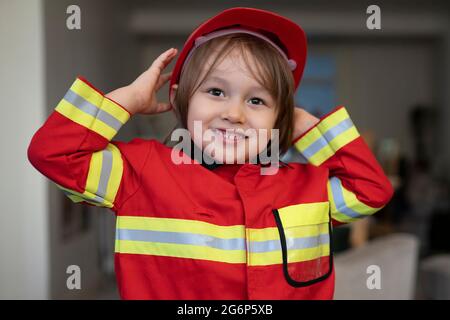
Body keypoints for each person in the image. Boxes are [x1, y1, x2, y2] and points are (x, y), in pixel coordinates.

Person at [27, 7, 393, 299]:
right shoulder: (138, 173)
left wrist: (306, 126)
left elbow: (371, 190)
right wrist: (127, 100)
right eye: (216, 92)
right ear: (179, 101)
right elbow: (53, 153)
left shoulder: (305, 187)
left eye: (256, 100)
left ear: (279, 119)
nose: (234, 113)